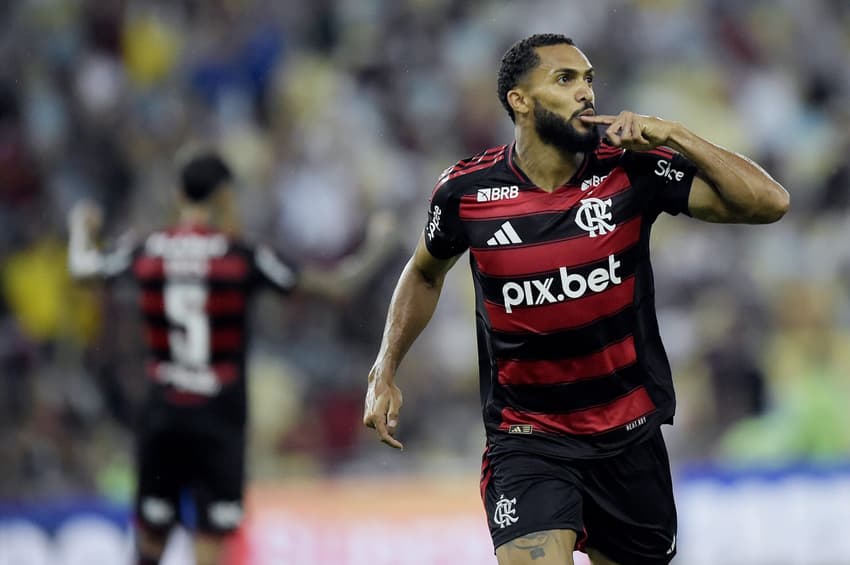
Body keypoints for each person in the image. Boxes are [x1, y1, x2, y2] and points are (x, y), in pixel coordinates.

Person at [363, 33, 789, 565]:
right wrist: (386, 367)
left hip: (628, 438)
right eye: (566, 79)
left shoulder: (629, 168)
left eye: (589, 79)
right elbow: (424, 273)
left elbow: (770, 203)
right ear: (519, 100)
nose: (586, 92)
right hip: (527, 439)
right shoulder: (465, 193)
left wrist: (677, 135)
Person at [68, 150, 395, 565]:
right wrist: (381, 242)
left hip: (161, 417)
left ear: (177, 195)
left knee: (150, 545)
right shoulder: (240, 257)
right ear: (223, 198)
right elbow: (339, 286)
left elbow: (81, 268)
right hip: (216, 421)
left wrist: (80, 225)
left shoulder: (147, 251)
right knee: (211, 544)